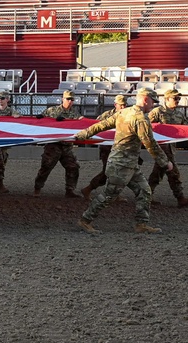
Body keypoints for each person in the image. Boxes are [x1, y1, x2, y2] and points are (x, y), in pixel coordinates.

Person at [74, 88, 173, 234]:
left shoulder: (123, 112)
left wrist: (83, 134)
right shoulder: (140, 119)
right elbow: (150, 143)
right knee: (109, 195)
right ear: (146, 99)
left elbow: (102, 125)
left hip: (127, 163)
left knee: (144, 191)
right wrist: (165, 162)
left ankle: (141, 224)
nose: (154, 105)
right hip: (121, 165)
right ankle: (85, 220)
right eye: (153, 101)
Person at [148, 90, 188, 207]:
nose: (177, 101)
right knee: (173, 173)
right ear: (167, 99)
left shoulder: (179, 114)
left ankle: (146, 196)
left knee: (157, 174)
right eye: (174, 98)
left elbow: (186, 130)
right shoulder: (157, 112)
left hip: (171, 148)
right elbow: (145, 127)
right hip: (161, 148)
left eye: (178, 99)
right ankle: (180, 198)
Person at [34, 90, 83, 198]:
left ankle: (70, 190)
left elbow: (82, 122)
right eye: (68, 99)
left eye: (72, 99)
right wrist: (39, 119)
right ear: (63, 99)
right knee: (46, 167)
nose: (70, 101)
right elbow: (40, 119)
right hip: (53, 145)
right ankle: (37, 188)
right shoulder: (52, 110)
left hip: (66, 146)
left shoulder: (75, 114)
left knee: (73, 167)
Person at [80, 95, 128, 201]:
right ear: (115, 105)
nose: (123, 107)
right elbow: (95, 126)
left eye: (125, 105)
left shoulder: (128, 116)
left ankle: (112, 194)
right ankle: (89, 189)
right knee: (108, 171)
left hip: (120, 147)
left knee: (118, 171)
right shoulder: (106, 115)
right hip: (107, 148)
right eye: (121, 105)